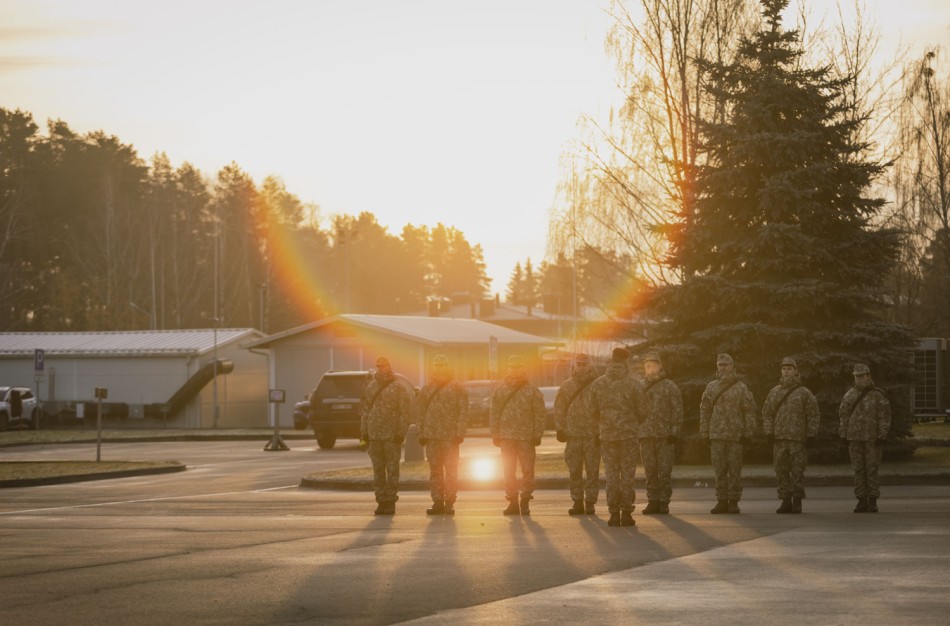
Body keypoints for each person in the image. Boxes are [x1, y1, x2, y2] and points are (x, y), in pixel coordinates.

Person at [761, 357, 820, 514]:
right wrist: (768, 432)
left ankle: (797, 501)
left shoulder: (804, 393)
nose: (786, 371)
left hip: (797, 439)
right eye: (784, 368)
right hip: (779, 439)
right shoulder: (774, 392)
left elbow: (813, 415)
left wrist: (811, 434)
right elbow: (767, 414)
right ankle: (785, 501)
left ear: (796, 371)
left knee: (797, 471)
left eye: (789, 368)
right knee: (781, 471)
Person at [700, 353, 756, 514]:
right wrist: (705, 432)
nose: (723, 368)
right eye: (720, 365)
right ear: (717, 367)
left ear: (732, 367)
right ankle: (722, 501)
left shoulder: (741, 387)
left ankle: (734, 502)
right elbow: (704, 410)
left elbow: (749, 411)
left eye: (726, 365)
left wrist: (748, 432)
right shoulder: (711, 387)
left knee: (734, 470)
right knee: (719, 470)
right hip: (717, 435)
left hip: (735, 436)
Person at [589, 346, 639, 527]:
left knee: (611, 475)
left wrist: (603, 424)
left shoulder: (598, 384)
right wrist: (631, 422)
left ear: (611, 360)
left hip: (607, 436)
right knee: (627, 475)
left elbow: (592, 410)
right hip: (628, 436)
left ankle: (613, 513)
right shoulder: (634, 384)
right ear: (625, 361)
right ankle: (626, 513)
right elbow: (644, 410)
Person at [490, 354, 546, 516]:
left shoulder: (531, 390)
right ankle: (512, 502)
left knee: (527, 470)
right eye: (512, 367)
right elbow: (494, 414)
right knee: (508, 470)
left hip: (526, 437)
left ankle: (525, 500)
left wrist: (537, 434)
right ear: (507, 369)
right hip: (506, 437)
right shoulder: (500, 390)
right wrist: (495, 434)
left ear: (522, 369)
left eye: (518, 367)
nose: (515, 370)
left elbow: (539, 414)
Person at [416, 354, 468, 515]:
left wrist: (460, 432)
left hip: (450, 437)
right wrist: (421, 432)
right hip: (431, 436)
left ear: (447, 366)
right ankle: (437, 501)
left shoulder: (457, 387)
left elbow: (463, 411)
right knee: (435, 471)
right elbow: (420, 412)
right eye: (436, 365)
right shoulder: (427, 388)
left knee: (451, 470)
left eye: (442, 365)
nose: (439, 368)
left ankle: (450, 502)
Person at [360, 356, 412, 516]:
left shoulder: (398, 388)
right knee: (378, 471)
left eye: (383, 366)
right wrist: (364, 433)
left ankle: (390, 501)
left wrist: (400, 433)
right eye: (378, 366)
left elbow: (405, 412)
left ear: (389, 367)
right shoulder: (370, 387)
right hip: (374, 435)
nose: (380, 368)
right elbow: (365, 411)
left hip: (391, 436)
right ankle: (381, 500)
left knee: (392, 470)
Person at [839, 363, 891, 513]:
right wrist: (844, 434)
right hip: (854, 438)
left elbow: (885, 416)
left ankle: (872, 500)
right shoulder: (849, 395)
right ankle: (861, 500)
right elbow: (843, 416)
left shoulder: (877, 395)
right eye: (857, 376)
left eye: (862, 376)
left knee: (872, 469)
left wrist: (882, 435)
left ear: (868, 376)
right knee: (859, 469)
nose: (859, 379)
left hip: (872, 439)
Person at [636, 351, 683, 515]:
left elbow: (677, 410)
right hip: (645, 435)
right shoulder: (639, 386)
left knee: (664, 471)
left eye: (653, 364)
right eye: (647, 365)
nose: (650, 368)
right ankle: (652, 501)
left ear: (660, 366)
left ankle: (663, 502)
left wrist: (674, 432)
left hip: (664, 436)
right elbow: (634, 410)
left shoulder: (670, 386)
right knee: (650, 471)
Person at [554, 353, 600, 515]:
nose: (581, 367)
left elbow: (603, 410)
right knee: (574, 471)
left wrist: (600, 431)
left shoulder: (598, 385)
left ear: (590, 366)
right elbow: (560, 408)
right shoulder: (566, 386)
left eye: (584, 364)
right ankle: (577, 501)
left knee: (592, 471)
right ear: (574, 366)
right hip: (573, 435)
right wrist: (560, 429)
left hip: (592, 436)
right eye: (578, 364)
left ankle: (590, 503)